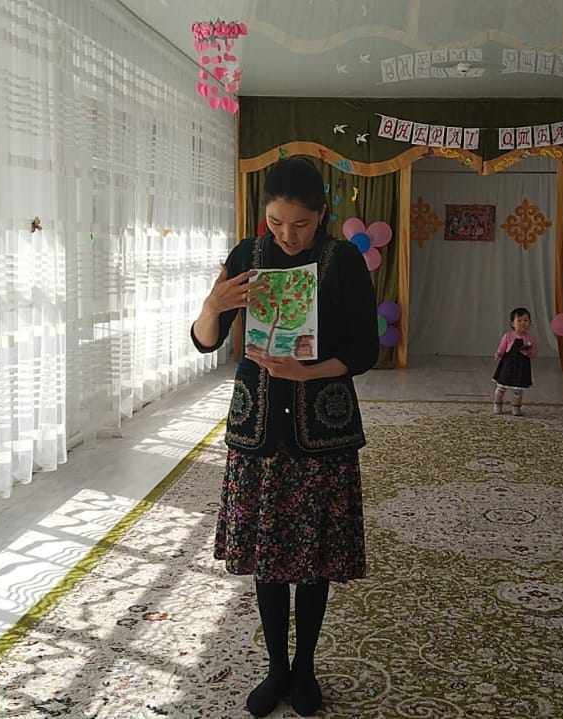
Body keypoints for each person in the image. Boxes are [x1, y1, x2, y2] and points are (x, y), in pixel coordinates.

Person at [190, 157, 378, 717]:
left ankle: (305, 668)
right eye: (275, 223)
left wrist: (309, 372)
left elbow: (365, 350)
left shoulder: (343, 260)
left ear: (322, 213)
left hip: (321, 429)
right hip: (259, 428)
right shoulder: (246, 257)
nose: (287, 236)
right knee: (268, 558)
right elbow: (204, 341)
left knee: (314, 557)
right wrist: (211, 306)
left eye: (299, 224)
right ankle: (276, 668)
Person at [492, 307, 536, 416]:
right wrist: (498, 353)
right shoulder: (508, 336)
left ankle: (516, 407)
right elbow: (502, 347)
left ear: (530, 323)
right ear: (513, 324)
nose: (523, 323)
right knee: (501, 387)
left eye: (525, 320)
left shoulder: (530, 339)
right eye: (519, 321)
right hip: (508, 364)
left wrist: (528, 353)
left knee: (518, 389)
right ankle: (497, 404)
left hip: (522, 366)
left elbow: (534, 353)